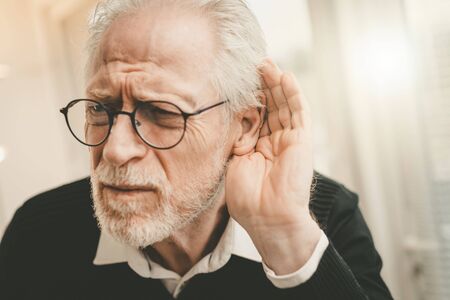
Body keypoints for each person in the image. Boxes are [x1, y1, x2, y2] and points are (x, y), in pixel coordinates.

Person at [0, 0, 393, 299]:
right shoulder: (38, 232)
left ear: (244, 126)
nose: (115, 150)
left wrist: (287, 242)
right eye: (101, 109)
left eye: (160, 112)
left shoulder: (323, 216)